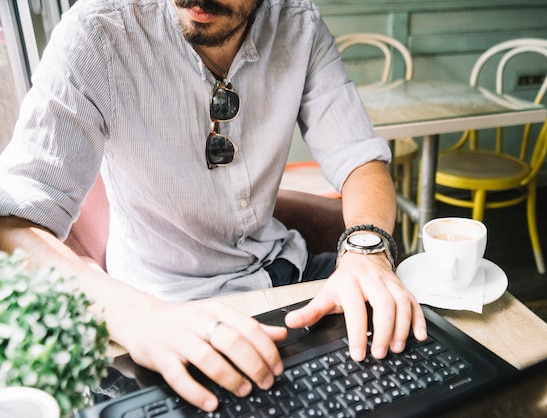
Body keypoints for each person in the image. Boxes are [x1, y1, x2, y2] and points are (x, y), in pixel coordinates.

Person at [0, 0, 427, 412]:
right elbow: (14, 220)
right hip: (164, 306)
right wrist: (135, 316)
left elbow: (360, 160)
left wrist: (365, 256)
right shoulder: (96, 32)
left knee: (420, 370)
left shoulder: (299, 22)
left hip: (285, 273)